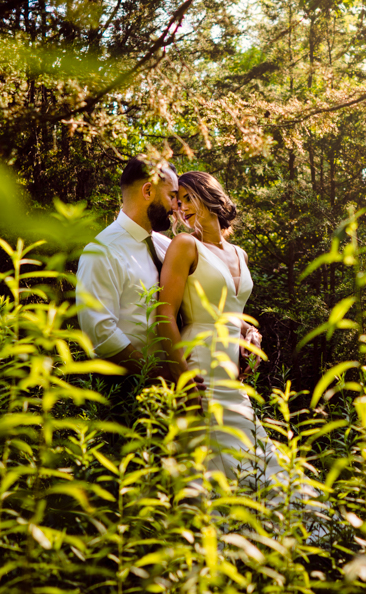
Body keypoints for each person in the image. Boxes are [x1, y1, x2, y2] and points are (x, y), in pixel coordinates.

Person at [155, 171, 292, 490]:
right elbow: (164, 314)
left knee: (257, 468)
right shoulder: (185, 245)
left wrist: (250, 335)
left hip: (234, 380)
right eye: (177, 202)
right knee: (222, 475)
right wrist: (184, 379)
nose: (181, 208)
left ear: (209, 196)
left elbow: (229, 310)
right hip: (200, 370)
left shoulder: (239, 254)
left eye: (188, 198)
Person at [76, 157, 201, 389]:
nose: (176, 207)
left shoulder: (167, 247)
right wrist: (156, 375)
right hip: (128, 391)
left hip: (181, 388)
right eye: (172, 196)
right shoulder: (102, 251)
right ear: (147, 191)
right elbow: (100, 334)